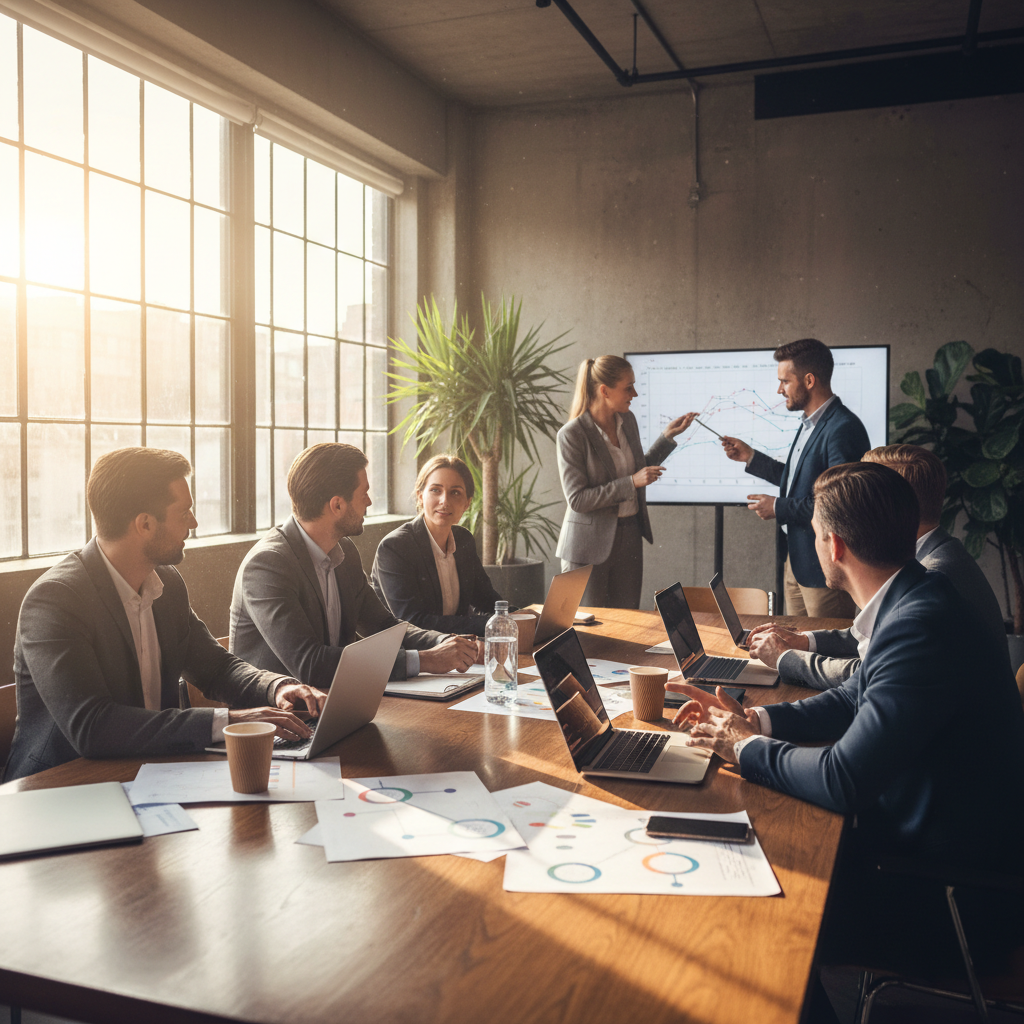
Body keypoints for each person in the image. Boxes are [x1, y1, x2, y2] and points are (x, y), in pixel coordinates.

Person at [668, 461, 1023, 867]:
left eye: (814, 534)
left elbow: (844, 780)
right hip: (936, 823)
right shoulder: (919, 594)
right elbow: (851, 699)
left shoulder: (918, 626)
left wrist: (743, 745)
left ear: (834, 546)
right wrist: (755, 719)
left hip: (942, 860)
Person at [4, 448, 324, 784]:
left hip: (152, 771)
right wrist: (227, 720)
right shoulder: (55, 600)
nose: (194, 522)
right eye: (184, 512)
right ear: (145, 524)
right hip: (62, 788)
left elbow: (216, 667)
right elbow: (93, 727)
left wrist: (276, 687)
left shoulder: (166, 582)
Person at [747, 443, 1010, 688]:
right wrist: (804, 641)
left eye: (869, 488)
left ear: (896, 501)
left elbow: (867, 675)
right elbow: (867, 636)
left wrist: (785, 658)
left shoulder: (934, 576)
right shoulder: (934, 554)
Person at [230, 443, 479, 690]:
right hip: (274, 721)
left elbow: (384, 627)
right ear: (337, 505)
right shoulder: (267, 565)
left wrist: (444, 642)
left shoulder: (345, 552)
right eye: (364, 493)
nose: (369, 502)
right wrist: (427, 659)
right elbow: (311, 664)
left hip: (337, 704)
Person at [720, 338, 869, 618]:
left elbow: (839, 505)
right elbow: (798, 481)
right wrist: (751, 457)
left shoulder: (843, 428)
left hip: (824, 569)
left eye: (785, 381)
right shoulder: (810, 423)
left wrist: (778, 507)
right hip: (798, 563)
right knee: (801, 646)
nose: (779, 390)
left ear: (809, 380)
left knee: (825, 652)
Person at [555, 355, 696, 609]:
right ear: (604, 391)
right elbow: (577, 499)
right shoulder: (571, 435)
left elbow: (638, 470)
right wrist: (630, 483)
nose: (635, 393)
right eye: (628, 387)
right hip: (588, 545)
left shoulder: (628, 421)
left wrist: (667, 437)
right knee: (590, 630)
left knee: (628, 622)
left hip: (630, 534)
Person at [370, 454, 512, 636]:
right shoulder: (395, 547)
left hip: (457, 650)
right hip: (409, 654)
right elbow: (413, 621)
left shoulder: (463, 540)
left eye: (455, 492)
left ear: (467, 503)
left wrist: (519, 616)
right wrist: (495, 624)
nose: (444, 501)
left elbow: (486, 598)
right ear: (420, 496)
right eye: (436, 490)